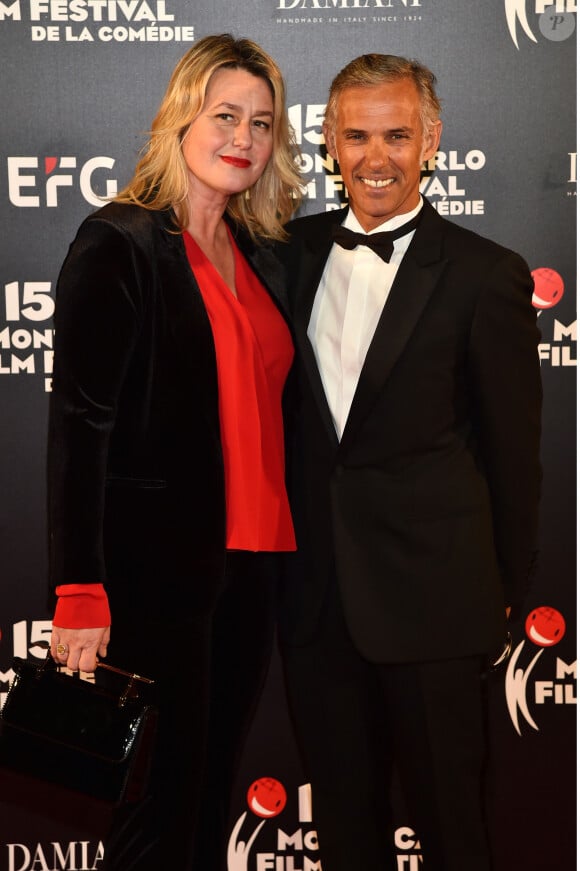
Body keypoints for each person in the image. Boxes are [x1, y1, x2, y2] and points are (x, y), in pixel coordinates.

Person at [277, 53, 542, 871]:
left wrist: (504, 596)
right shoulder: (283, 254)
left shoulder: (484, 273)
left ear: (432, 139)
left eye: (397, 133)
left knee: (454, 832)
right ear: (328, 139)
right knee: (345, 837)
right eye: (356, 135)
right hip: (317, 604)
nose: (376, 156)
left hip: (438, 606)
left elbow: (514, 452)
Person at [47, 33, 303, 871]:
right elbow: (81, 423)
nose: (243, 138)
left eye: (261, 123)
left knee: (205, 804)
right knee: (159, 810)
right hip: (159, 572)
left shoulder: (262, 255)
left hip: (255, 567)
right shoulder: (119, 241)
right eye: (225, 115)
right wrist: (80, 585)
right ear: (180, 119)